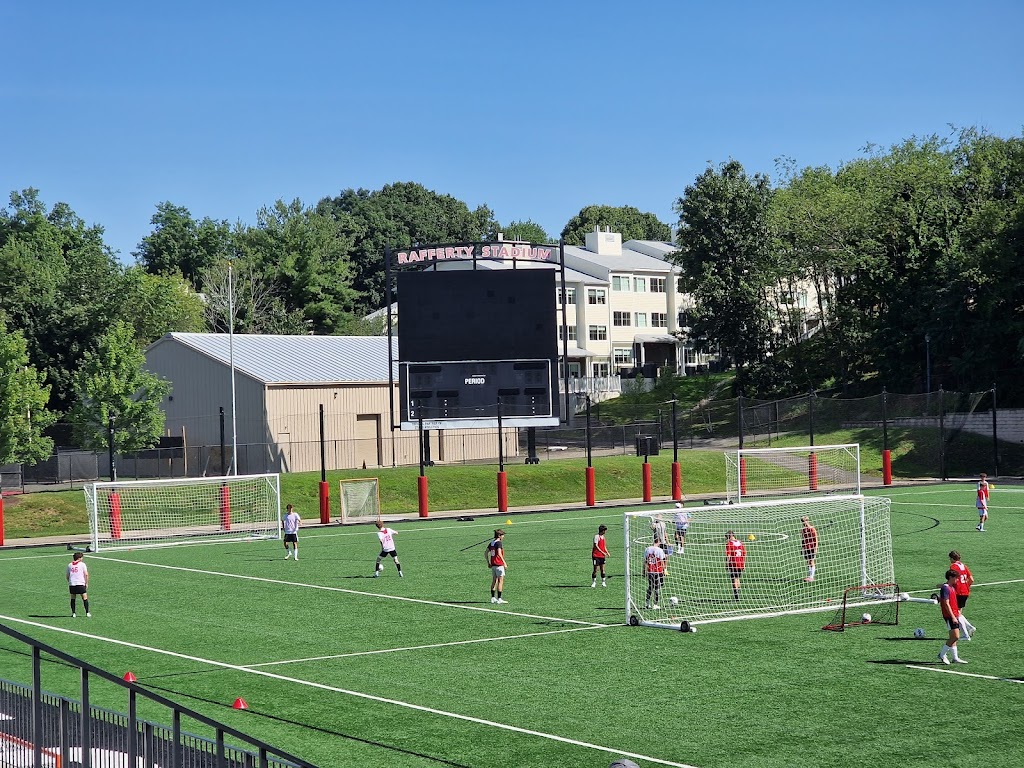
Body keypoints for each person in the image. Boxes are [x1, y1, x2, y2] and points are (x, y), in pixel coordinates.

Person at [937, 569, 967, 664]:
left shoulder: (951, 587)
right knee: (956, 637)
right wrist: (953, 617)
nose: (957, 580)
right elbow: (946, 603)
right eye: (956, 578)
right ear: (950, 577)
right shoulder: (945, 588)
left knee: (953, 637)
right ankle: (942, 654)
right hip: (950, 616)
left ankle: (955, 657)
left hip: (954, 614)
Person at [948, 550, 976, 640]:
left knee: (956, 613)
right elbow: (971, 579)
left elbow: (953, 578)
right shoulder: (964, 566)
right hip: (965, 592)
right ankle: (969, 628)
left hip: (958, 592)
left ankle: (966, 634)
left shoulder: (953, 566)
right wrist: (965, 586)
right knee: (958, 612)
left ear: (952, 558)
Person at [643, 537, 667, 609]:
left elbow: (645, 561)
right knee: (657, 588)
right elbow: (662, 562)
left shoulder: (647, 549)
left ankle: (647, 603)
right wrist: (664, 570)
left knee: (650, 587)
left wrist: (643, 570)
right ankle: (655, 604)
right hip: (658, 571)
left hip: (650, 571)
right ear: (659, 542)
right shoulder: (660, 550)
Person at [67, 552, 90, 618]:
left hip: (72, 584)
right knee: (84, 598)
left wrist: (70, 582)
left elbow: (67, 575)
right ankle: (87, 612)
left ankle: (73, 613)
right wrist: (86, 583)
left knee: (73, 598)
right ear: (79, 558)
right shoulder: (82, 564)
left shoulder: (69, 565)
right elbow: (86, 574)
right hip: (80, 583)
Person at [486, 529, 507, 604]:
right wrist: (504, 562)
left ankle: (492, 598)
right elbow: (499, 553)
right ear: (499, 536)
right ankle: (499, 598)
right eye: (502, 535)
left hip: (493, 565)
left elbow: (486, 553)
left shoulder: (491, 543)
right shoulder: (499, 543)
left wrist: (488, 562)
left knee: (494, 581)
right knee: (500, 581)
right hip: (499, 564)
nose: (503, 536)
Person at [726, 530, 746, 601]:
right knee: (737, 578)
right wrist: (744, 564)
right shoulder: (740, 543)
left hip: (733, 563)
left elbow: (728, 555)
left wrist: (727, 564)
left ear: (729, 537)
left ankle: (736, 593)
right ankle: (738, 591)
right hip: (740, 563)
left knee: (733, 579)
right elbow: (744, 554)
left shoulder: (729, 544)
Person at [801, 516, 818, 582]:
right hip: (806, 548)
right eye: (802, 521)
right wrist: (802, 548)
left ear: (807, 521)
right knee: (808, 561)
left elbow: (816, 539)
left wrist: (815, 548)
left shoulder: (812, 529)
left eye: (804, 521)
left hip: (812, 547)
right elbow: (803, 539)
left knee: (811, 561)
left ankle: (811, 577)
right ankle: (809, 576)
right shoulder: (803, 530)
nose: (803, 523)